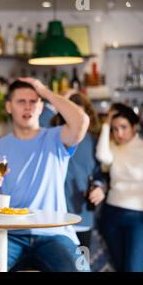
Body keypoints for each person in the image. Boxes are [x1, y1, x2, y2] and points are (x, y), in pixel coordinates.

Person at [0, 78, 90, 272]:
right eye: (21, 102)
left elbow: (82, 121)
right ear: (9, 107)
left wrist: (45, 91)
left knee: (81, 270)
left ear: (41, 106)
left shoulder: (57, 138)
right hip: (9, 235)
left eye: (33, 101)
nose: (28, 107)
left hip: (55, 234)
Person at [96, 103, 143, 272]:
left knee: (134, 268)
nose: (119, 133)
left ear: (135, 127)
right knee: (120, 267)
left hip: (139, 218)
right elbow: (102, 156)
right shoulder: (112, 148)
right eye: (114, 129)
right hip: (111, 215)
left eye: (123, 127)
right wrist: (106, 124)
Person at [50, 92, 106, 251]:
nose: (76, 121)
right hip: (52, 218)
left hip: (81, 217)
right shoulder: (49, 136)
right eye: (70, 114)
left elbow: (98, 174)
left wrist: (99, 187)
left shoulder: (93, 142)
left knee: (81, 266)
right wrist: (61, 98)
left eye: (80, 115)